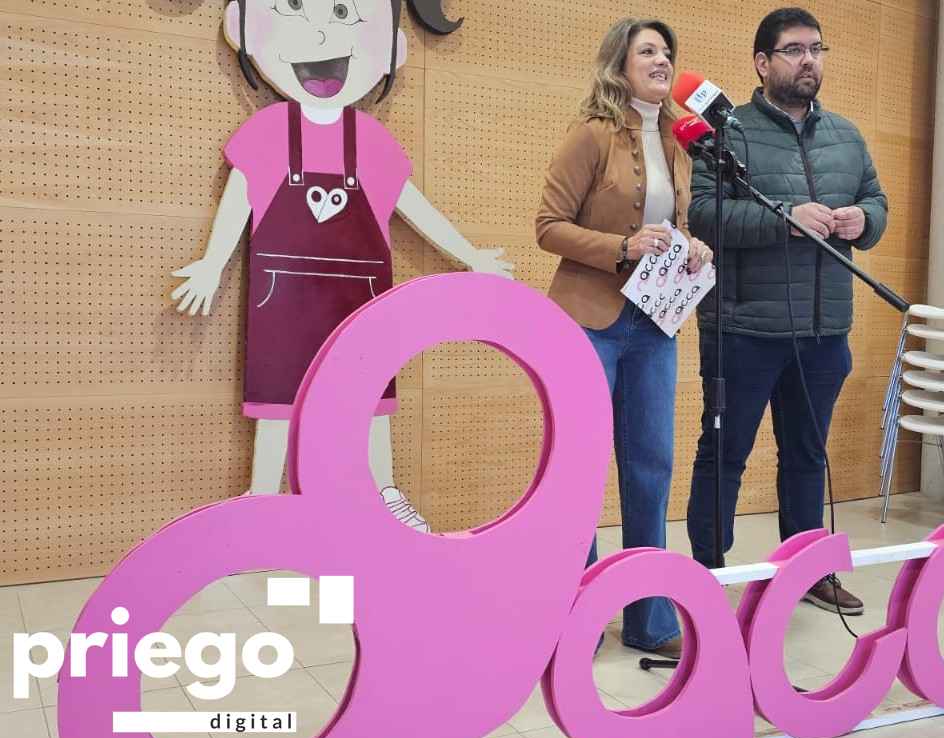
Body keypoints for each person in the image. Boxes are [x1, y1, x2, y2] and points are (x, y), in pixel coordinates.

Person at [168, 0, 512, 532]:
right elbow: (239, 200)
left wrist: (470, 256)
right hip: (281, 299)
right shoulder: (267, 130)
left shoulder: (371, 139)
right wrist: (213, 263)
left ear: (391, 50)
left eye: (344, 13)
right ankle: (261, 505)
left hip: (361, 299)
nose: (322, 35)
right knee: (278, 401)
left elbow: (415, 208)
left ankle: (385, 496)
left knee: (371, 396)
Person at [685, 7, 888, 615]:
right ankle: (707, 574)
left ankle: (807, 572)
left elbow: (876, 201)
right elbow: (703, 215)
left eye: (817, 49)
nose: (809, 61)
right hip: (744, 328)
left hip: (824, 330)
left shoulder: (847, 136)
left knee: (807, 453)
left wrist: (864, 221)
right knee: (724, 453)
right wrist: (785, 218)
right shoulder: (726, 132)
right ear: (762, 62)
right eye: (795, 50)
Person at [536, 18, 714, 658]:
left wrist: (692, 245)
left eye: (668, 52)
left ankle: (648, 616)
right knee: (581, 468)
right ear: (620, 63)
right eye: (648, 51)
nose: (662, 60)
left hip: (654, 323)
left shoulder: (680, 139)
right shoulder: (591, 134)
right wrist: (621, 247)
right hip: (588, 321)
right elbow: (548, 226)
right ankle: (571, 613)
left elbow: (673, 222)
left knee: (650, 467)